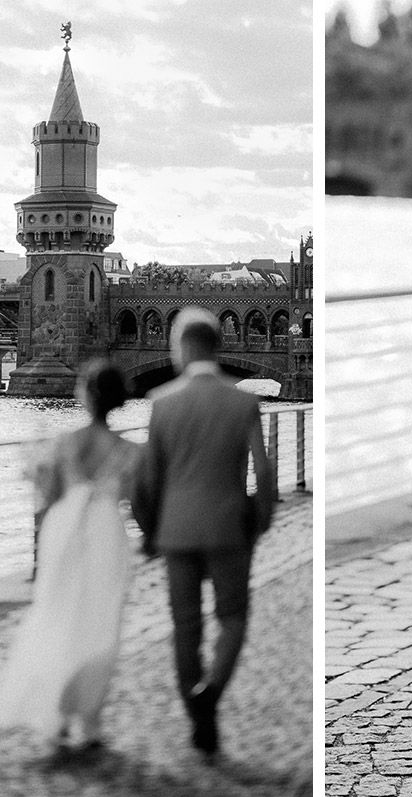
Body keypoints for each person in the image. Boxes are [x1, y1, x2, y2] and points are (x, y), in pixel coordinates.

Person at [131, 306, 275, 756]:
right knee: (232, 618)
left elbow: (147, 480)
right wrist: (260, 521)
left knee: (185, 626)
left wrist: (149, 530)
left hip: (176, 530)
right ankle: (210, 694)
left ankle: (198, 714)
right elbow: (264, 472)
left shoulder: (162, 403)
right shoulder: (243, 401)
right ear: (217, 345)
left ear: (183, 346)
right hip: (229, 526)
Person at [0, 358, 140, 753]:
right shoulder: (129, 451)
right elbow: (139, 506)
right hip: (107, 534)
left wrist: (35, 471)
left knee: (58, 616)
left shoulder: (64, 444)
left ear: (84, 395)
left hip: (64, 534)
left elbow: (50, 496)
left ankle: (55, 714)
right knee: (100, 622)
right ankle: (89, 720)